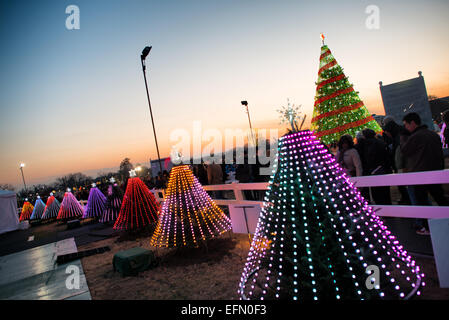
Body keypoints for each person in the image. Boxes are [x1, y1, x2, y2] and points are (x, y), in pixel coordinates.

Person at [401, 112, 448, 235]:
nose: (405, 127)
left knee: (421, 202)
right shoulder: (432, 134)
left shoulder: (415, 137)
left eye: (406, 124)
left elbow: (405, 151)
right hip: (435, 171)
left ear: (412, 123)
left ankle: (427, 227)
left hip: (420, 174)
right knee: (440, 197)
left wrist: (403, 137)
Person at [359, 128, 392, 205]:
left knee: (376, 192)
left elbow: (368, 158)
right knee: (385, 192)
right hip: (383, 169)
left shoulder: (366, 145)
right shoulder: (380, 143)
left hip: (373, 170)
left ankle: (382, 211)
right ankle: (389, 209)